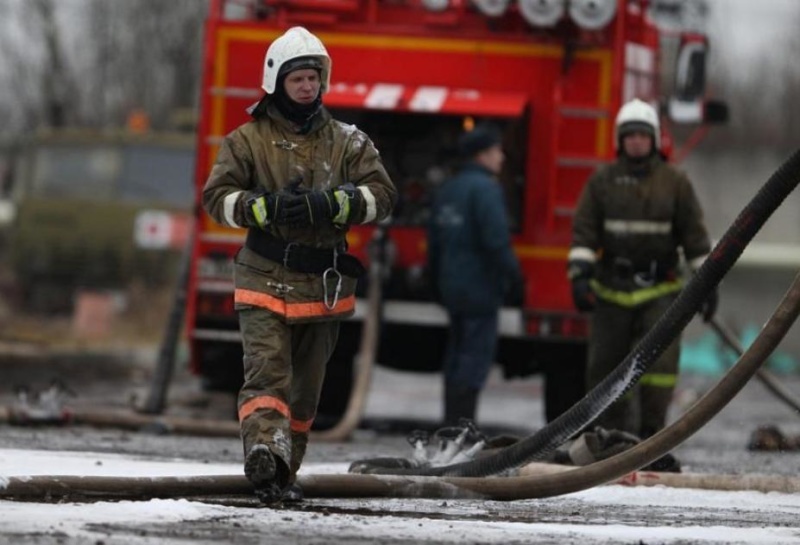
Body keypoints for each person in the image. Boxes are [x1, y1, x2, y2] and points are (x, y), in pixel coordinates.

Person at [202, 26, 396, 504]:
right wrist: (261, 208)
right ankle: (264, 452)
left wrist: (332, 204)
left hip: (322, 286)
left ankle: (284, 469)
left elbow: (383, 197)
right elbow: (216, 198)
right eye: (298, 80)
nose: (307, 87)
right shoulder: (246, 141)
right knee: (267, 375)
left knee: (305, 395)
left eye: (313, 78)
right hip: (263, 276)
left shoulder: (349, 143)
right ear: (277, 83)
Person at [568, 98, 717, 440]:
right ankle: (609, 441)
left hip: (661, 293)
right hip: (611, 292)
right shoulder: (601, 182)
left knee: (659, 370)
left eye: (642, 134)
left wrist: (708, 285)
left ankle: (650, 439)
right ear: (620, 140)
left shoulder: (675, 183)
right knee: (606, 370)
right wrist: (579, 276)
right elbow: (584, 233)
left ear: (653, 139)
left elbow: (694, 237)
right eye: (629, 135)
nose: (636, 141)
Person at [427, 123, 523, 427]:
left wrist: (436, 281)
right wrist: (515, 278)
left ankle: (450, 422)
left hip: (452, 288)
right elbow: (496, 241)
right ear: (482, 155)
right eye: (496, 151)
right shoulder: (487, 190)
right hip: (480, 289)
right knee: (474, 358)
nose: (502, 157)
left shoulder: (449, 189)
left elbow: (435, 242)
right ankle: (463, 427)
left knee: (455, 355)